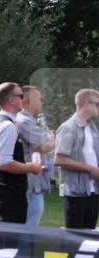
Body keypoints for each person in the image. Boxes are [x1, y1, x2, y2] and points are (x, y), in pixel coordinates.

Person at [0, 83, 43, 224]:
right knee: (10, 241)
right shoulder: (8, 126)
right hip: (9, 195)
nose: (24, 99)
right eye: (21, 96)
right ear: (11, 100)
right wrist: (31, 168)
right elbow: (4, 163)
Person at [54, 88, 99, 230]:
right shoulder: (68, 128)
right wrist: (90, 169)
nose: (98, 107)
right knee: (73, 239)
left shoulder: (92, 128)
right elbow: (59, 159)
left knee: (89, 238)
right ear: (86, 103)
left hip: (94, 191)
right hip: (75, 193)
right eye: (97, 104)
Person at [17, 85, 55, 226]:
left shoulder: (29, 120)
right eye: (40, 99)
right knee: (29, 229)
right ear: (29, 100)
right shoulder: (25, 121)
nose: (42, 102)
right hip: (30, 184)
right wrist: (51, 137)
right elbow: (45, 146)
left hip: (33, 182)